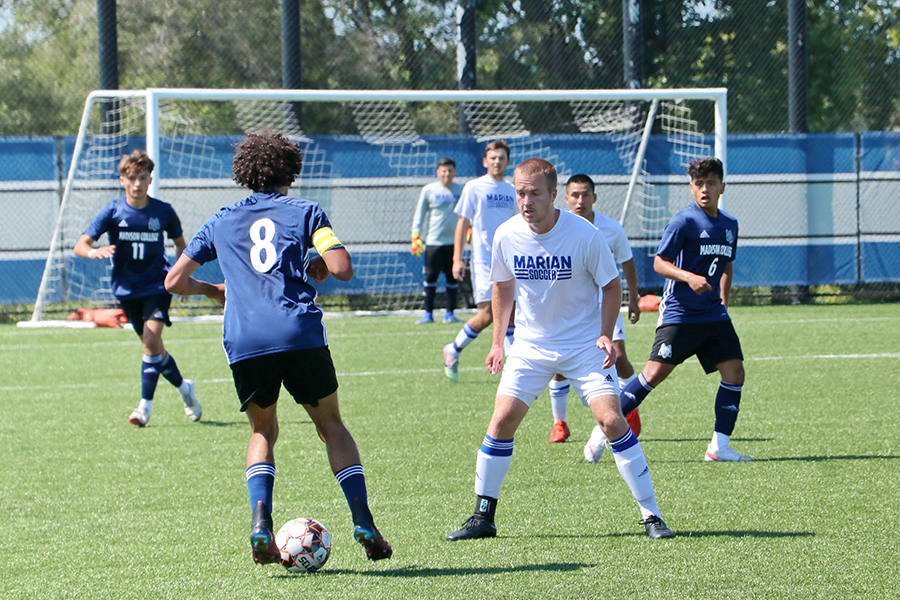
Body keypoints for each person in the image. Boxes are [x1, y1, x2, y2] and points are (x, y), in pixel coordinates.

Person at [164, 131, 392, 564]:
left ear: (246, 173)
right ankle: (363, 520)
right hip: (298, 333)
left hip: (246, 339)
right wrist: (319, 261)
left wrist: (216, 291)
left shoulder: (221, 220)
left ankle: (260, 524)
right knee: (331, 428)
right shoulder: (305, 211)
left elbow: (173, 282)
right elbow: (342, 268)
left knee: (262, 431)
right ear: (291, 170)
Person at [445, 158, 674, 542]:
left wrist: (604, 334)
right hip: (531, 346)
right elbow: (502, 287)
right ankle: (483, 516)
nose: (526, 200)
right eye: (520, 192)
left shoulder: (584, 234)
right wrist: (499, 340)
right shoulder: (506, 234)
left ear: (554, 195)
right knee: (501, 421)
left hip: (584, 346)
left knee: (611, 420)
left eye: (535, 193)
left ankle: (651, 515)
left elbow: (611, 285)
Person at [616, 156, 753, 462]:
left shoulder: (730, 225)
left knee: (734, 372)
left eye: (711, 184)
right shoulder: (684, 221)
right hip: (680, 313)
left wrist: (724, 302)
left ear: (722, 187)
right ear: (691, 188)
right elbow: (659, 262)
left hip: (714, 315)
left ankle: (719, 448)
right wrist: (689, 277)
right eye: (699, 184)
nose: (705, 189)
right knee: (653, 375)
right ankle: (604, 428)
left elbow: (727, 264)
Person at [73, 150, 201, 427]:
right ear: (122, 180)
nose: (138, 184)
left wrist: (179, 275)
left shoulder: (163, 211)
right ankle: (184, 389)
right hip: (126, 289)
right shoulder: (113, 211)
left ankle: (144, 407)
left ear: (150, 179)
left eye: (143, 178)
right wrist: (93, 252)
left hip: (157, 285)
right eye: (132, 178)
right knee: (155, 350)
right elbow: (80, 245)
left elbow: (182, 245)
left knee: (151, 342)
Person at [543, 175, 643, 455]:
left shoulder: (611, 228)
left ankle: (627, 407)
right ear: (565, 198)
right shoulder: (554, 225)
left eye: (585, 195)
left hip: (605, 303)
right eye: (574, 195)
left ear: (594, 198)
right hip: (569, 308)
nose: (580, 200)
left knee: (619, 358)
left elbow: (627, 263)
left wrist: (633, 299)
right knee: (559, 365)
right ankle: (559, 422)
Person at [442, 140, 517, 382]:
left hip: (511, 261)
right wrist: (457, 258)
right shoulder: (474, 187)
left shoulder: (512, 190)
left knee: (511, 313)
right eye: (493, 158)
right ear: (486, 161)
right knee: (488, 313)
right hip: (484, 261)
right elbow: (462, 223)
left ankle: (513, 369)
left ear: (507, 161)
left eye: (502, 158)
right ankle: (453, 349)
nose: (497, 162)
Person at [411, 157, 464, 324]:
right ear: (438, 172)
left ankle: (450, 314)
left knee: (452, 278)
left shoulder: (462, 190)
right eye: (443, 170)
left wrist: (469, 230)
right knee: (431, 278)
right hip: (434, 242)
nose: (447, 174)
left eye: (450, 170)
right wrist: (415, 235)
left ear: (455, 172)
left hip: (455, 243)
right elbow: (419, 213)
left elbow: (467, 214)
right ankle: (428, 314)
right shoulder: (429, 190)